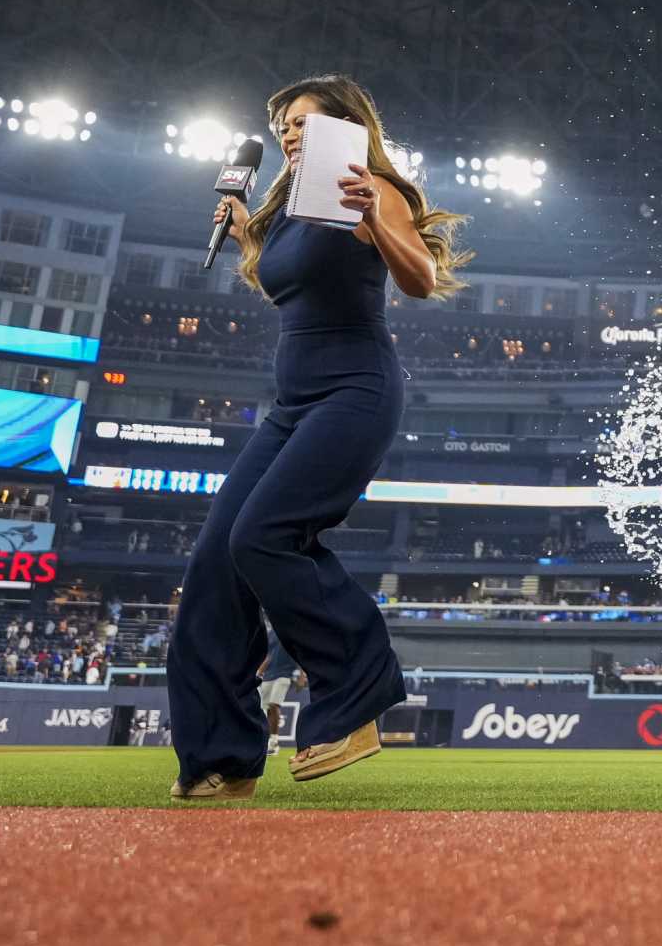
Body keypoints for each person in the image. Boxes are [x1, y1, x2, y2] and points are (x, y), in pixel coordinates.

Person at [166, 75, 470, 800]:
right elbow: (294, 287)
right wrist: (249, 236)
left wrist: (376, 222)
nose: (289, 136)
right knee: (216, 560)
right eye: (281, 130)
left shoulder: (370, 187)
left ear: (345, 124)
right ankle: (222, 756)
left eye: (302, 122)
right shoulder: (295, 208)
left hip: (355, 391)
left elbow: (421, 279)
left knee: (263, 535)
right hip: (292, 403)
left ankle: (355, 691)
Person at [257, 622, 297, 755]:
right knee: (265, 709)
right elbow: (268, 655)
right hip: (268, 675)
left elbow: (299, 651)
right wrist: (259, 671)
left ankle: (274, 741)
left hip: (284, 674)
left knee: (274, 705)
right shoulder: (271, 633)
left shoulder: (291, 630)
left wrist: (302, 672)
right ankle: (267, 741)